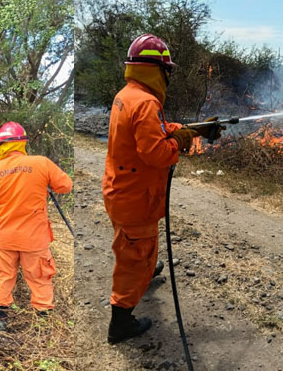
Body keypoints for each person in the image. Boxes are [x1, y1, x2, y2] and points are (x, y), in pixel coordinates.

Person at [102, 34, 221, 344]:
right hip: (135, 198)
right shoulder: (146, 102)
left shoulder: (129, 95)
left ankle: (146, 270)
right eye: (167, 70)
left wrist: (191, 130)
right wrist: (179, 143)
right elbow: (156, 152)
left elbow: (153, 130)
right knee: (133, 257)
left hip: (124, 191)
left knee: (138, 246)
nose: (168, 76)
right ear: (157, 70)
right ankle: (121, 322)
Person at [0, 121, 73, 317]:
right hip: (34, 239)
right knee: (39, 276)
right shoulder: (41, 163)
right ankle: (42, 315)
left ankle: (0, 315)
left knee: (3, 276)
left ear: (1, 145)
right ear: (22, 143)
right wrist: (44, 182)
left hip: (5, 238)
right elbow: (66, 186)